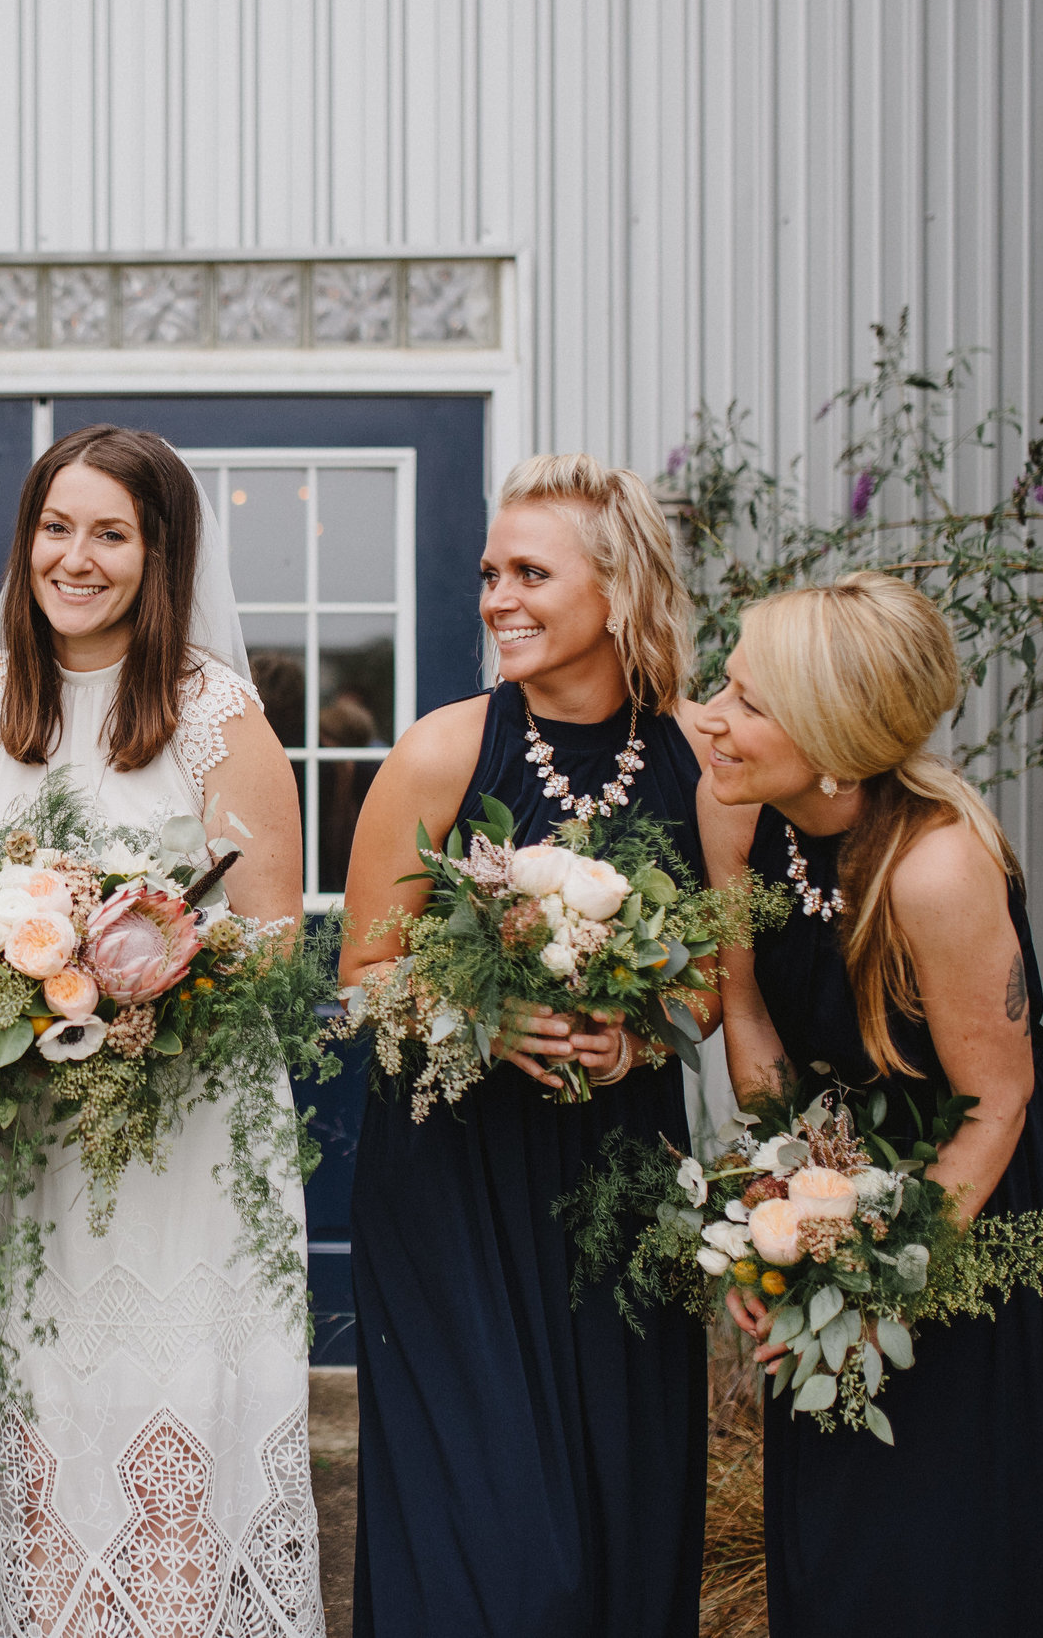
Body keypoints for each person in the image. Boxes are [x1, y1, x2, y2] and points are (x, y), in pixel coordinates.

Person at [0, 425, 324, 1635]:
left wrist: (148, 976)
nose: (76, 558)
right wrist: (30, 984)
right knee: (68, 1400)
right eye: (56, 528)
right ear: (24, 540)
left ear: (159, 554)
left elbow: (273, 939)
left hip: (197, 1136)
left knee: (194, 1399)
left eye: (110, 534)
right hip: (52, 1137)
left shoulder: (215, 713)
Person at [336, 452, 712, 1636]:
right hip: (454, 1190)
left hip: (617, 1188)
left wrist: (641, 1041)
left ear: (619, 589)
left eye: (530, 573)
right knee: (493, 1540)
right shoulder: (444, 752)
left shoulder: (705, 763)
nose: (497, 595)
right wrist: (478, 1018)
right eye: (490, 572)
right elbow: (358, 975)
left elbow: (713, 984)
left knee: (620, 1503)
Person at [699, 572, 1043, 1634]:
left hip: (964, 1205)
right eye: (723, 685)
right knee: (835, 1540)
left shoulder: (934, 869)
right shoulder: (736, 813)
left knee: (941, 1541)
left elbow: (995, 1102)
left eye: (745, 701)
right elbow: (749, 1023)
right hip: (832, 1181)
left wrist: (875, 1286)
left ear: (833, 740)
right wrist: (774, 1226)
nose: (711, 716)